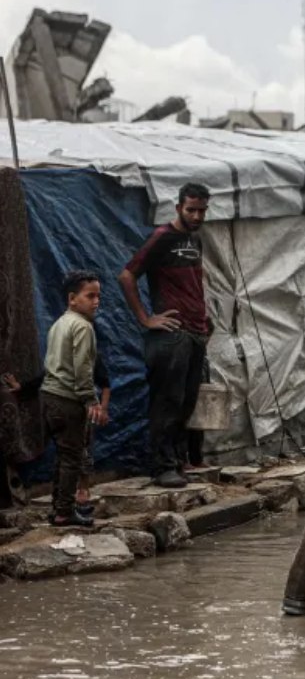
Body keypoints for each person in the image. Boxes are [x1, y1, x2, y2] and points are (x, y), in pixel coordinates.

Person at [118, 183, 212, 488]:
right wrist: (146, 318)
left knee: (187, 402)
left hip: (196, 332)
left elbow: (193, 285)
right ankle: (162, 467)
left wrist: (204, 317)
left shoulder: (194, 239)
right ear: (178, 208)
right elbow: (127, 275)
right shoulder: (162, 237)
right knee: (167, 402)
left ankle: (179, 460)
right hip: (172, 334)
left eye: (201, 210)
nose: (196, 216)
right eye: (191, 210)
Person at [24, 271, 109, 526]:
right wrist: (90, 399)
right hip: (68, 400)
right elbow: (82, 367)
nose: (96, 302)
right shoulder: (83, 327)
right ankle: (64, 512)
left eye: (98, 296)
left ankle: (59, 508)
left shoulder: (60, 323)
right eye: (90, 296)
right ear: (72, 298)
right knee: (72, 458)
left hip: (49, 397)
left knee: (63, 456)